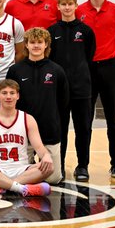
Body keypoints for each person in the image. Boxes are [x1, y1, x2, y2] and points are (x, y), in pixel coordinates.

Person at [77, 0, 115, 178]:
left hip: (110, 68)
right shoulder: (79, 10)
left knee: (113, 119)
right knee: (84, 120)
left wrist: (109, 55)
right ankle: (83, 166)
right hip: (87, 70)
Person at [0, 80, 53, 196]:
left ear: (17, 96)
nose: (8, 96)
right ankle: (20, 188)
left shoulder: (27, 119)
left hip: (21, 169)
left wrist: (46, 156)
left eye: (12, 93)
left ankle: (1, 187)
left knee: (49, 167)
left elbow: (39, 148)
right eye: (4, 93)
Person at [8, 27, 68, 184]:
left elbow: (63, 103)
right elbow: (9, 101)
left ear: (46, 45)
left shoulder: (57, 71)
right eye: (32, 42)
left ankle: (37, 169)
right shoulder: (15, 70)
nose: (36, 46)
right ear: (26, 45)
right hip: (23, 133)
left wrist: (57, 125)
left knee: (54, 179)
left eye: (40, 42)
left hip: (49, 131)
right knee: (21, 176)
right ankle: (33, 169)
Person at [48, 0, 97, 181]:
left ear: (76, 6)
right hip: (59, 91)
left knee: (83, 128)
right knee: (59, 130)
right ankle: (59, 167)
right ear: (58, 7)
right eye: (63, 4)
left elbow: (89, 57)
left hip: (81, 89)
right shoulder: (52, 31)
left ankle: (83, 166)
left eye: (70, 4)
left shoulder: (86, 31)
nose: (67, 7)